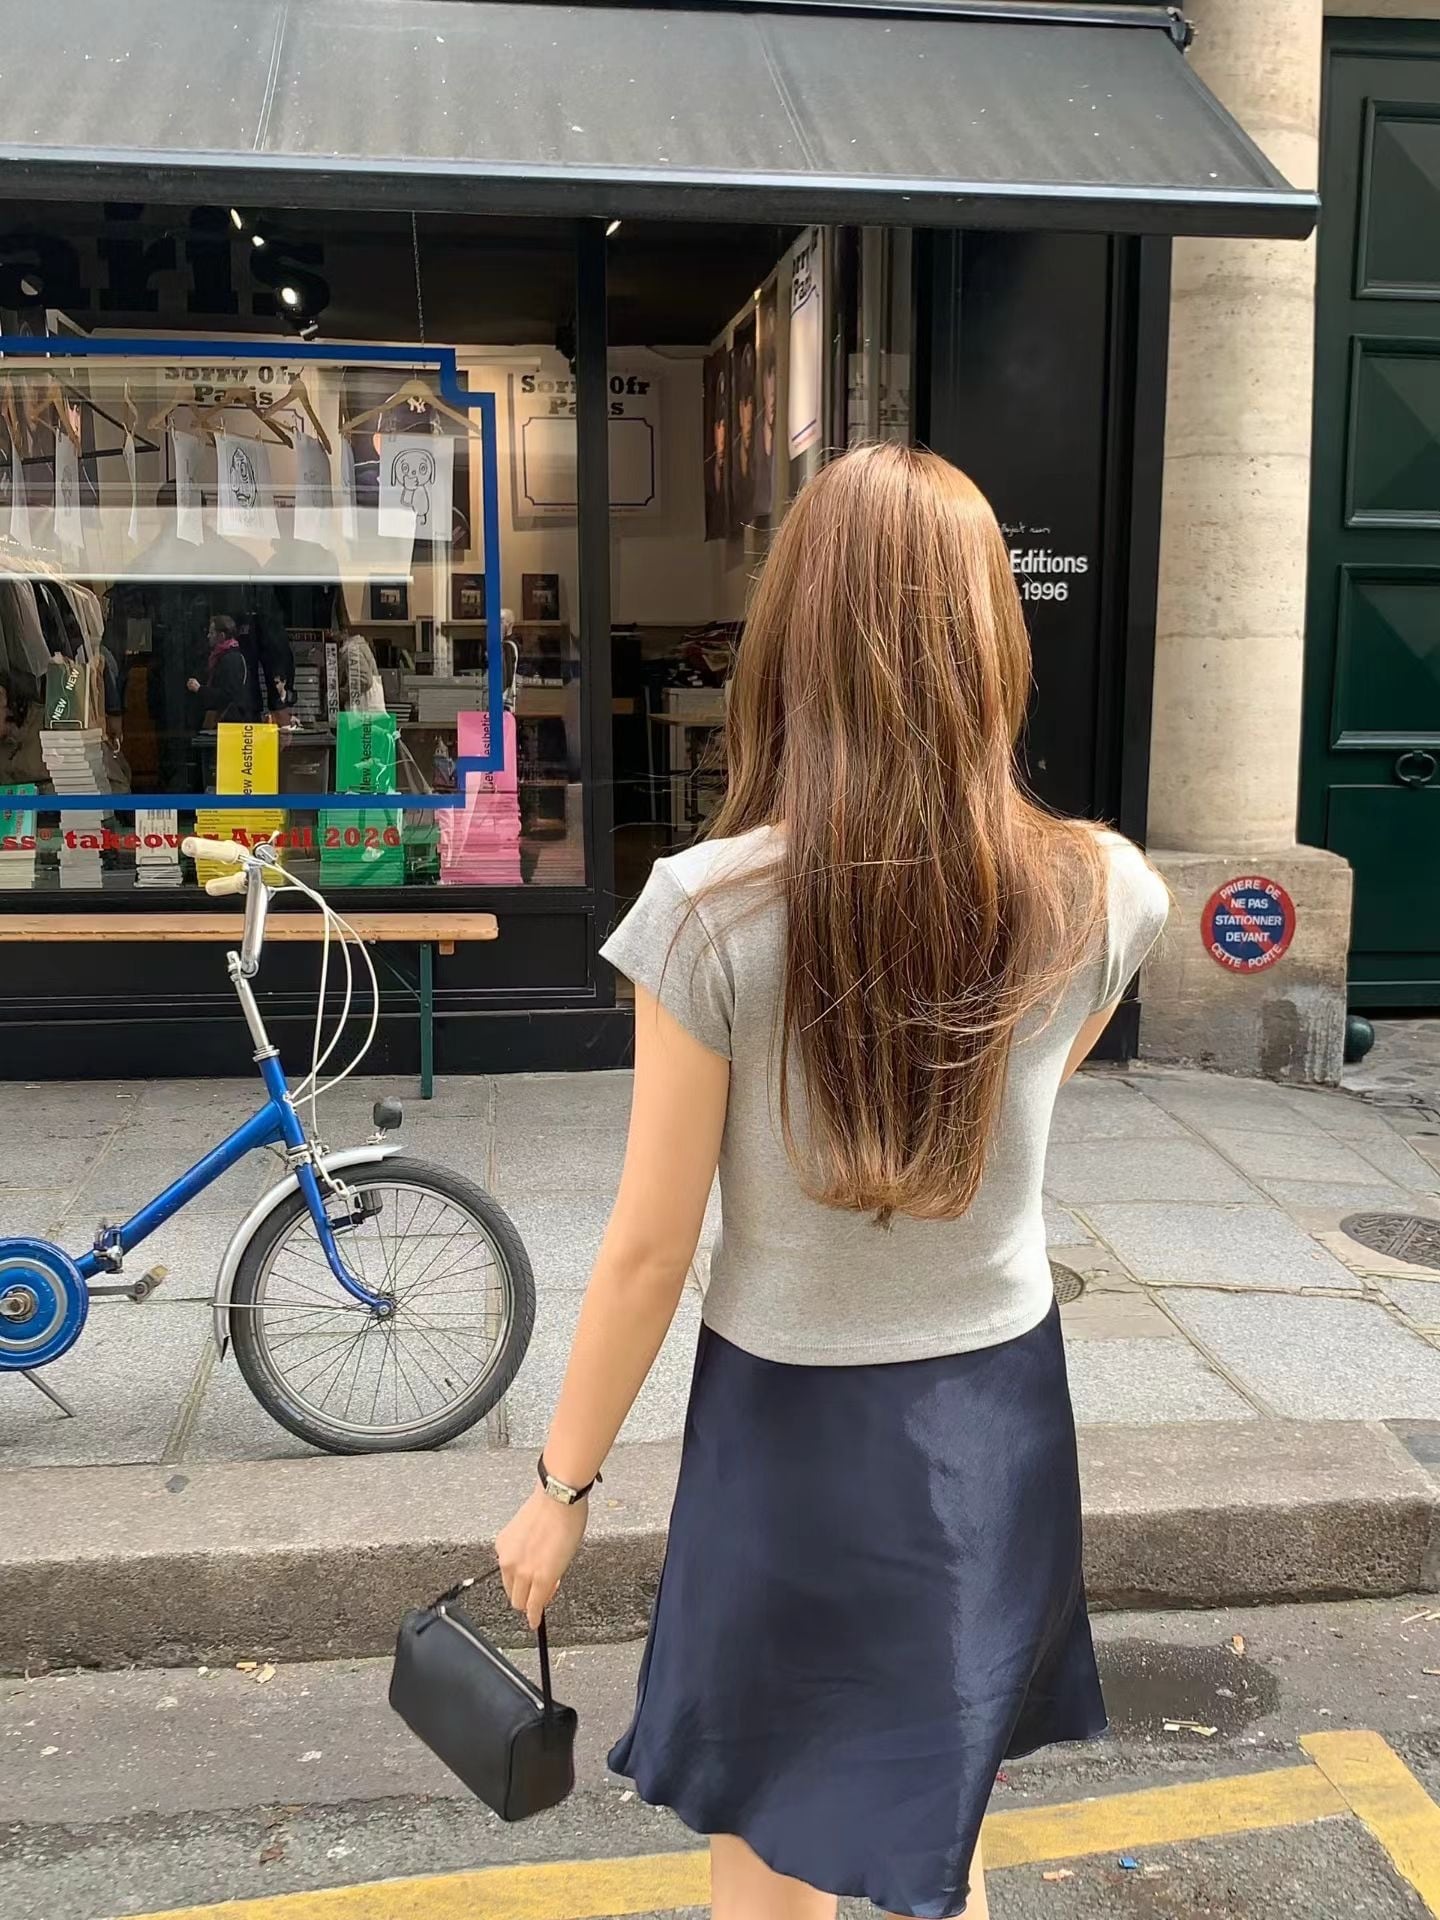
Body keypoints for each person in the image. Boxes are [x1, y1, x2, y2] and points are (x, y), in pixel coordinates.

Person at [497, 444, 1169, 1920]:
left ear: (793, 638)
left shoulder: (708, 912)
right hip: (992, 1413)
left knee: (768, 1839)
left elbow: (650, 1249)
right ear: (992, 642)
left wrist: (561, 1489)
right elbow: (1035, 1095)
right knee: (940, 1836)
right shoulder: (1107, 890)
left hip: (787, 1428)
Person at [186, 614, 257, 726]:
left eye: (212, 632)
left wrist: (200, 689)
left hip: (230, 722)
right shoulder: (222, 656)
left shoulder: (231, 659)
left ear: (221, 636)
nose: (208, 636)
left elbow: (227, 695)